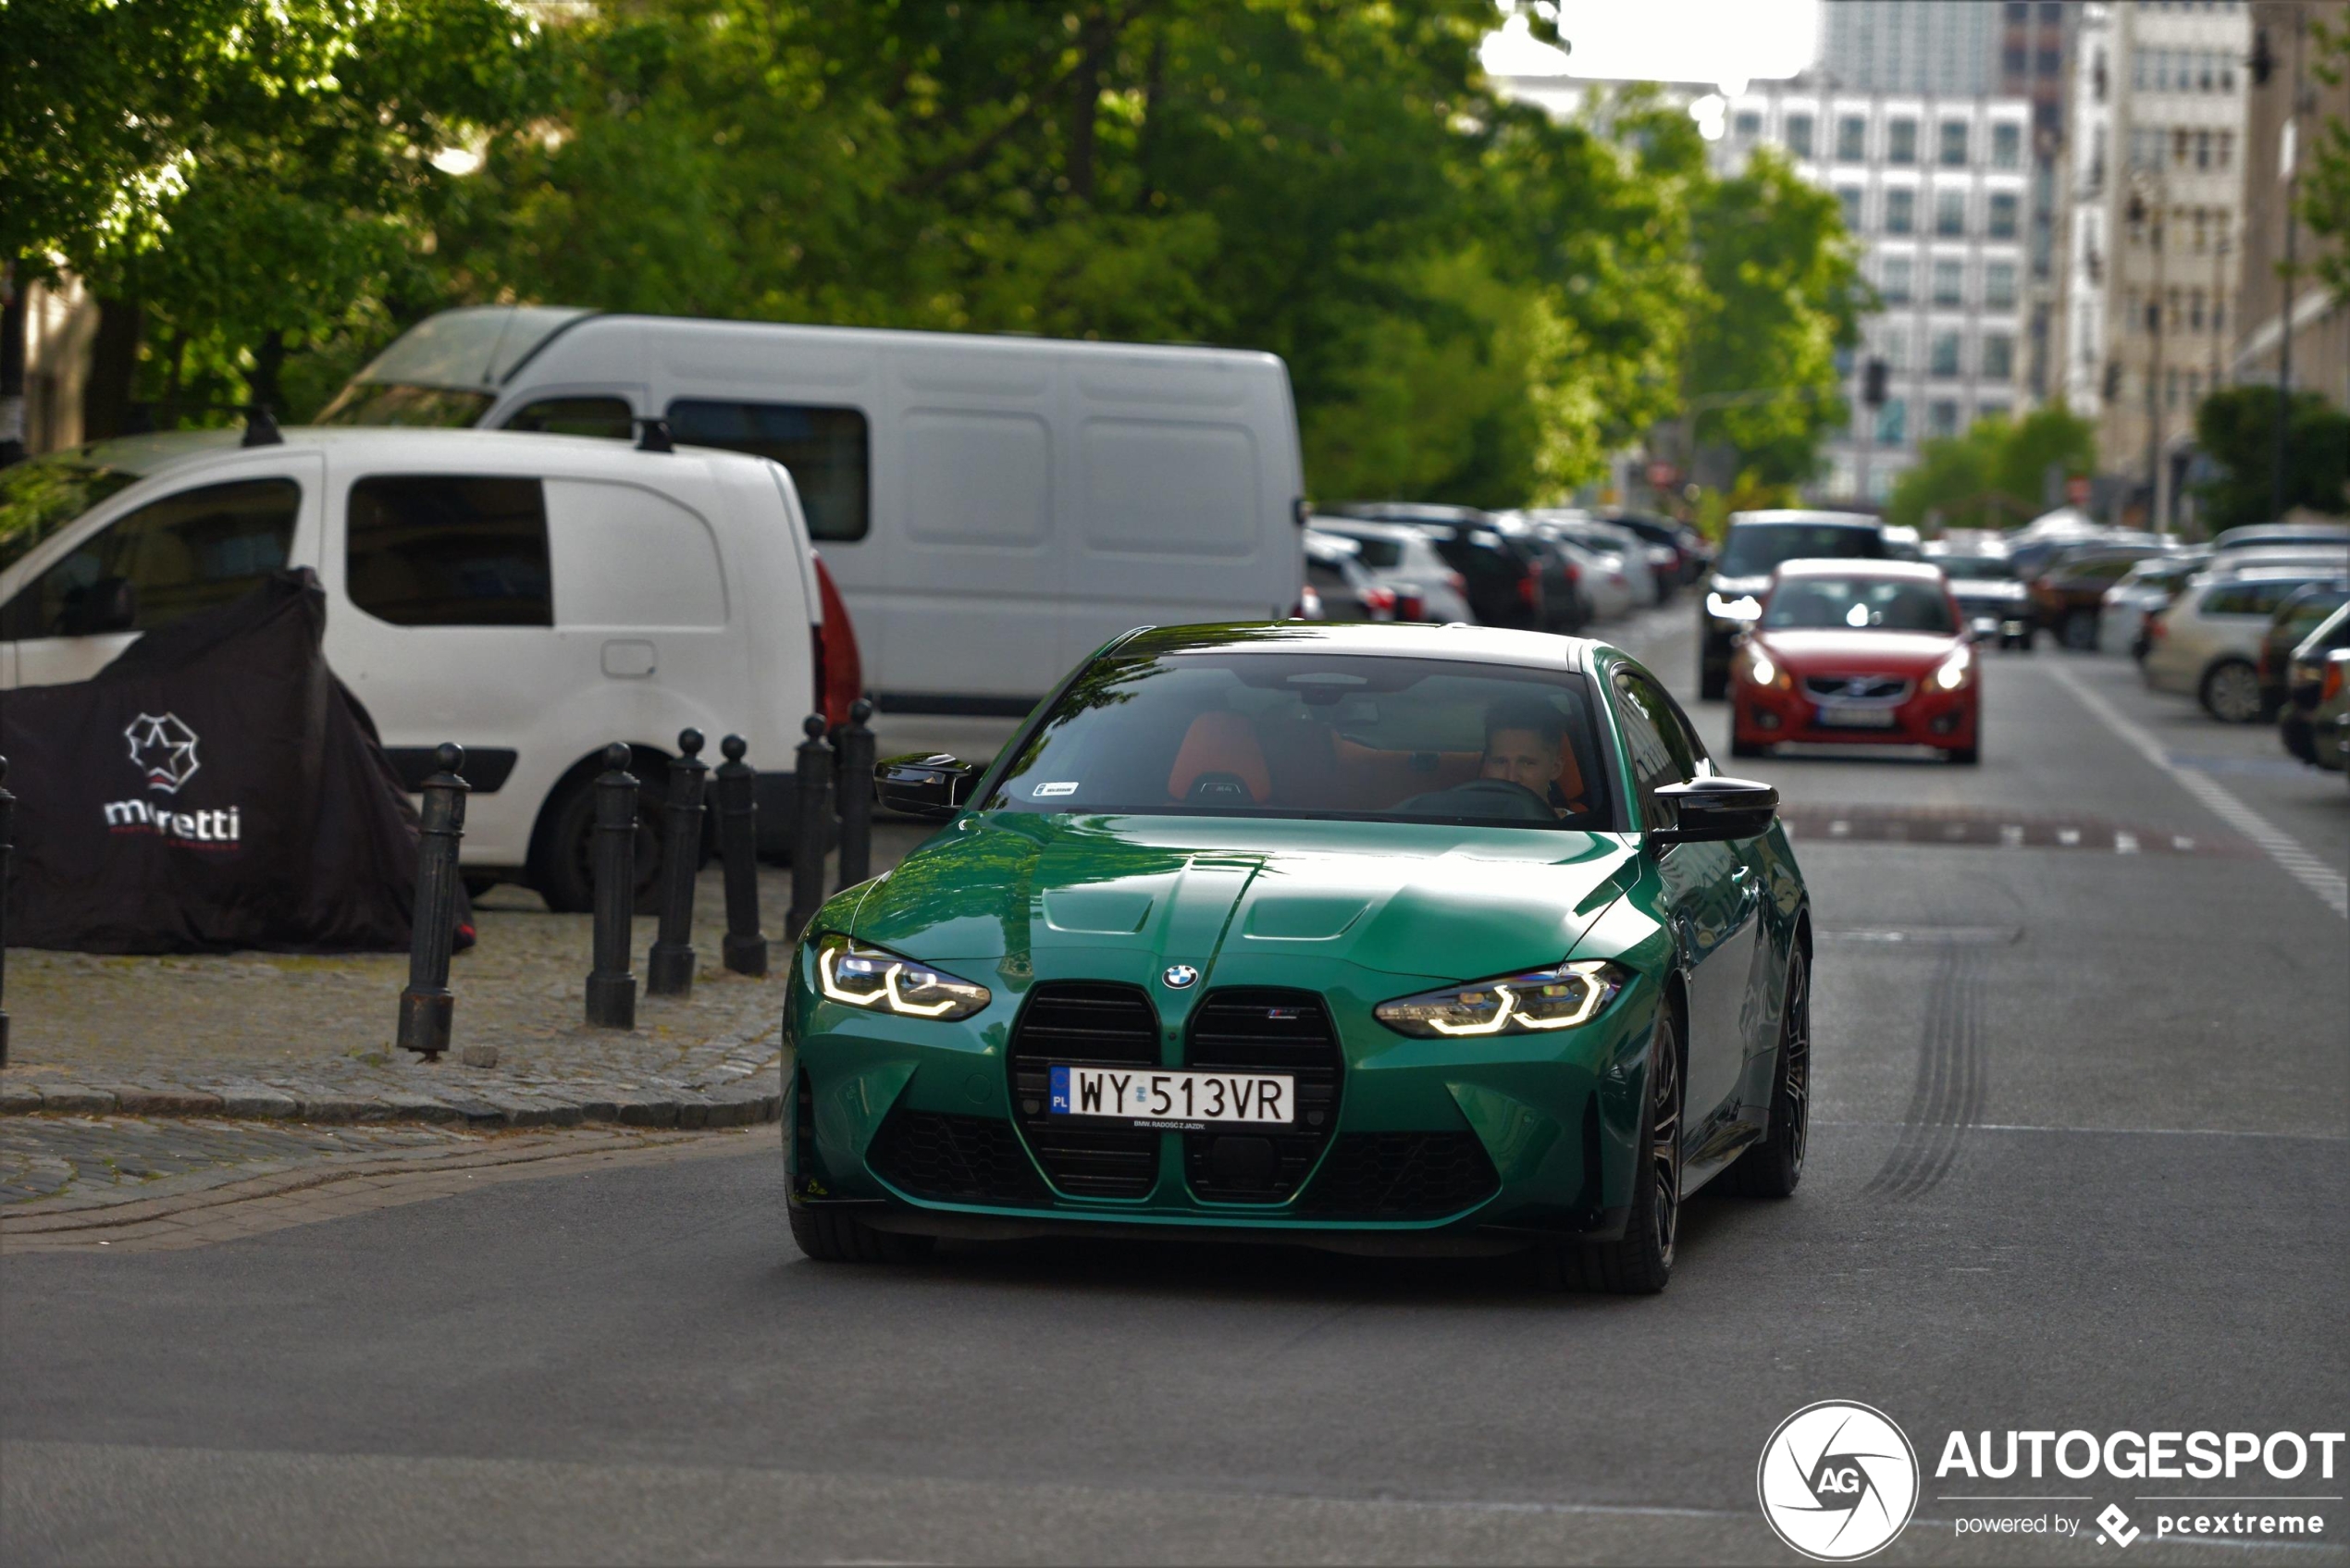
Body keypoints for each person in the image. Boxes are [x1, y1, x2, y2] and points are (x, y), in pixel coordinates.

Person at [1479, 698, 1587, 817]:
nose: (1511, 778)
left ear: (1555, 768)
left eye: (1527, 763)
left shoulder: (1577, 831)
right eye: (1500, 762)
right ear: (1486, 765)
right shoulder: (1465, 824)